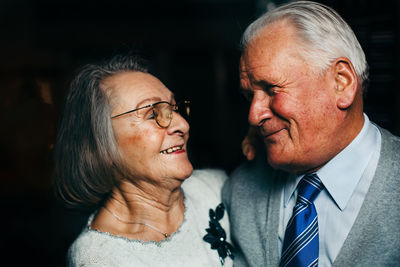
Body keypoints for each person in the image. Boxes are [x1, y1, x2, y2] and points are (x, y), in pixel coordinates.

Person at [222, 1, 400, 266]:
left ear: (341, 83)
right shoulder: (240, 190)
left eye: (272, 89)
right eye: (250, 96)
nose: (253, 115)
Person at [53, 54, 234, 266]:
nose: (183, 125)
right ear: (101, 146)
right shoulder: (97, 258)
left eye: (173, 108)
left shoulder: (216, 186)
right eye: (152, 114)